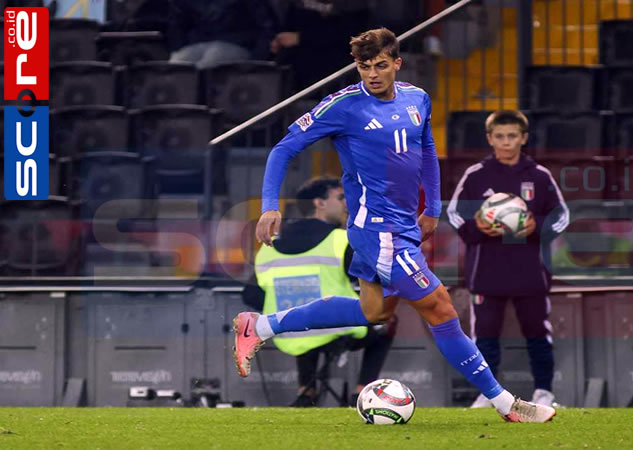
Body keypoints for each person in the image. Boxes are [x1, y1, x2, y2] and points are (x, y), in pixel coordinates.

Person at [233, 28, 556, 422]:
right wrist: (269, 206)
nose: (372, 73)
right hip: (376, 230)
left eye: (380, 65)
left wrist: (432, 209)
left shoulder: (417, 98)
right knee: (439, 308)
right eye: (364, 66)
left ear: (396, 63)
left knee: (374, 312)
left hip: (403, 225)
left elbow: (427, 150)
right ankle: (507, 404)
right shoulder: (342, 106)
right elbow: (283, 148)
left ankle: (261, 325)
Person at [446, 110, 569, 408]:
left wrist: (536, 226)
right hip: (487, 273)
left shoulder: (538, 175)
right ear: (489, 139)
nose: (506, 142)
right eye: (499, 136)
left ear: (523, 138)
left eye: (512, 136)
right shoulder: (476, 175)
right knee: (485, 337)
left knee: (538, 334)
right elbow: (453, 213)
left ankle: (544, 392)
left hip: (530, 272)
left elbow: (561, 215)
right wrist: (478, 227)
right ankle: (488, 393)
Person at [242, 177, 394, 407]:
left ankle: (306, 391)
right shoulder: (341, 240)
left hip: (288, 333)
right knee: (386, 319)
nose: (347, 203)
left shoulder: (270, 246)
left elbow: (250, 294)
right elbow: (372, 278)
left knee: (301, 316)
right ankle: (362, 392)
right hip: (339, 330)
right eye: (340, 197)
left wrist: (284, 300)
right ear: (319, 203)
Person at [270, 0, 372, 92]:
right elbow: (290, 22)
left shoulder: (354, 5)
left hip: (334, 69)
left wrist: (301, 38)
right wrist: (281, 40)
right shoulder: (298, 4)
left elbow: (349, 34)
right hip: (298, 69)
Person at [167, 0, 278, 69]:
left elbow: (266, 26)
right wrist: (177, 48)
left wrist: (256, 62)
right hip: (197, 42)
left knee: (209, 62)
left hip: (237, 43)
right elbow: (178, 24)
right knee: (177, 67)